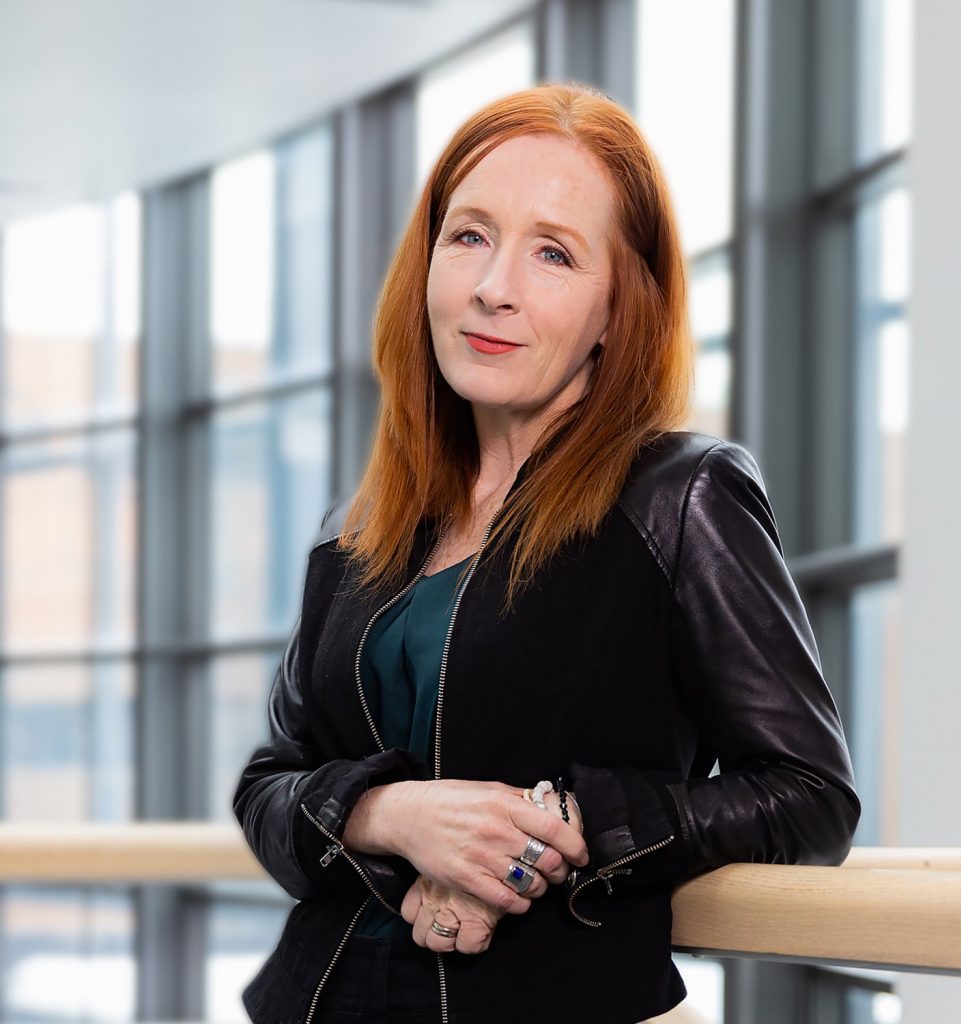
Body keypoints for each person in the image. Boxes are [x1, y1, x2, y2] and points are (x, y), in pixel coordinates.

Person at [232, 81, 860, 1024]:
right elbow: (269, 784)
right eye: (470, 236)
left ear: (618, 309)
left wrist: (548, 832)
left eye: (554, 254)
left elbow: (810, 795)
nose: (494, 286)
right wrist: (390, 814)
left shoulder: (680, 496)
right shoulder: (356, 526)